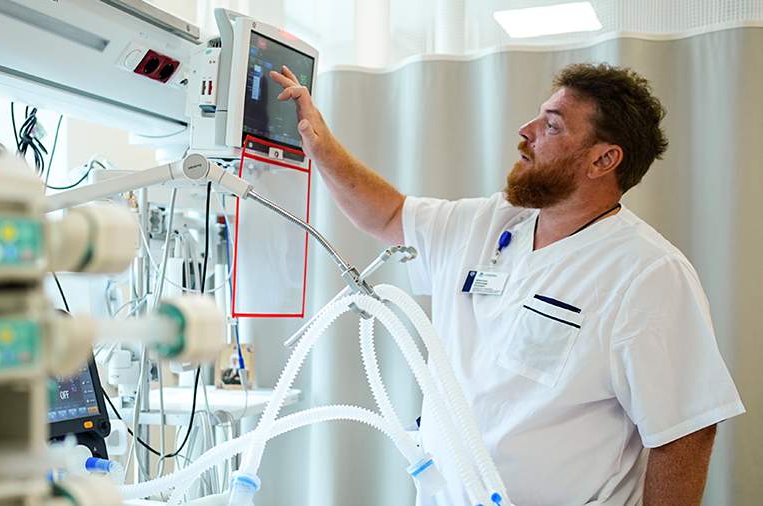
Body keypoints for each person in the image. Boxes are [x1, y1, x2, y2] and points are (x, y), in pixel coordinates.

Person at [268, 63, 744, 506]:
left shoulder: (647, 272)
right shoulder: (489, 222)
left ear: (603, 159)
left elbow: (685, 433)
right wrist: (320, 144)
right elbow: (390, 214)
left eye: (552, 125)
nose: (526, 131)